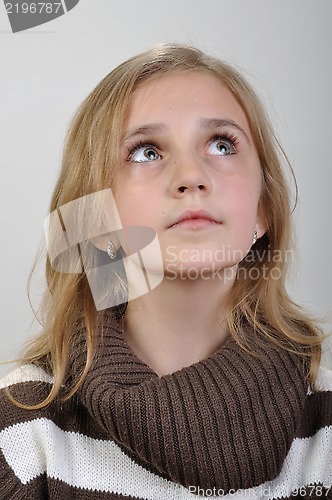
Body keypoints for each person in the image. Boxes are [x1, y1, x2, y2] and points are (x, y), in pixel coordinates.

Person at [0, 43, 331, 499]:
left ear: (264, 210)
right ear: (96, 216)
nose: (191, 175)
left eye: (221, 144)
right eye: (147, 152)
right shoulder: (22, 430)